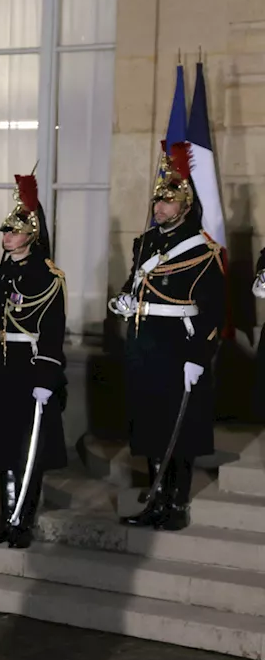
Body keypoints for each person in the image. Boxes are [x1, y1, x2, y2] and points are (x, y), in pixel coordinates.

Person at [111, 142, 224, 530]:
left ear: (186, 206)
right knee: (149, 427)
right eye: (157, 201)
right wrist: (125, 300)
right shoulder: (145, 244)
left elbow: (213, 311)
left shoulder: (204, 251)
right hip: (144, 345)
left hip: (178, 347)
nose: (159, 208)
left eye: (168, 202)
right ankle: (155, 499)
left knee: (180, 429)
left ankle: (176, 505)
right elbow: (134, 285)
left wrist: (198, 356)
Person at [0, 174, 67, 548]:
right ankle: (5, 517)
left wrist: (46, 375)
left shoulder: (47, 275)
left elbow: (53, 329)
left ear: (32, 233)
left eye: (13, 230)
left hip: (28, 368)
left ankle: (21, 522)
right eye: (4, 230)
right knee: (1, 445)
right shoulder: (0, 273)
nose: (6, 237)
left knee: (28, 447)